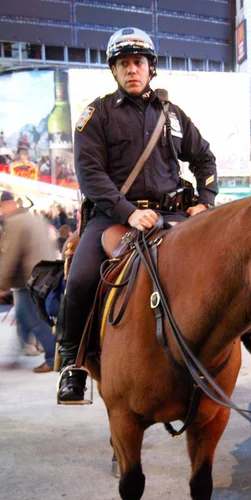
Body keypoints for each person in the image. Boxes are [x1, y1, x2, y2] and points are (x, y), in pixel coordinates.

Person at [57, 27, 218, 403]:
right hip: (111, 217)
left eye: (139, 63)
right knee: (79, 280)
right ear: (114, 70)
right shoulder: (95, 114)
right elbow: (90, 175)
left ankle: (249, 349)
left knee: (219, 269)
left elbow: (205, 159)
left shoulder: (173, 115)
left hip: (170, 215)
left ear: (151, 69)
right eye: (124, 63)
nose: (132, 69)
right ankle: (71, 365)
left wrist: (205, 200)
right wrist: (128, 213)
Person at [0, 190, 57, 372]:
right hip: (43, 272)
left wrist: (2, 284)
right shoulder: (31, 218)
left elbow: (10, 256)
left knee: (35, 319)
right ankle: (15, 355)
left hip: (30, 278)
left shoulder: (15, 222)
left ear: (8, 205)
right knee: (24, 317)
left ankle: (52, 358)